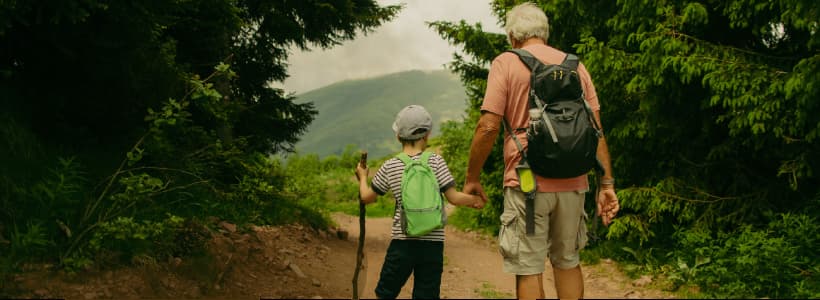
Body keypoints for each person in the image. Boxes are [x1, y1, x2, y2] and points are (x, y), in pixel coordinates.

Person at [462, 2, 620, 300]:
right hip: (574, 182)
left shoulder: (506, 63)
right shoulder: (576, 66)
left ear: (512, 36)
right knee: (568, 261)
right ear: (545, 34)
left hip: (527, 183)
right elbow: (596, 130)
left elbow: (487, 127)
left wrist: (472, 177)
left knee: (529, 266)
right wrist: (606, 184)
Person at [356, 104, 482, 299]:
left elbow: (367, 197)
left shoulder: (391, 165)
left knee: (386, 293)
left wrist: (363, 176)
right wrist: (474, 200)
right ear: (427, 135)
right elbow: (454, 198)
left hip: (402, 243)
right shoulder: (436, 162)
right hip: (432, 246)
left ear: (398, 136)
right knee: (427, 295)